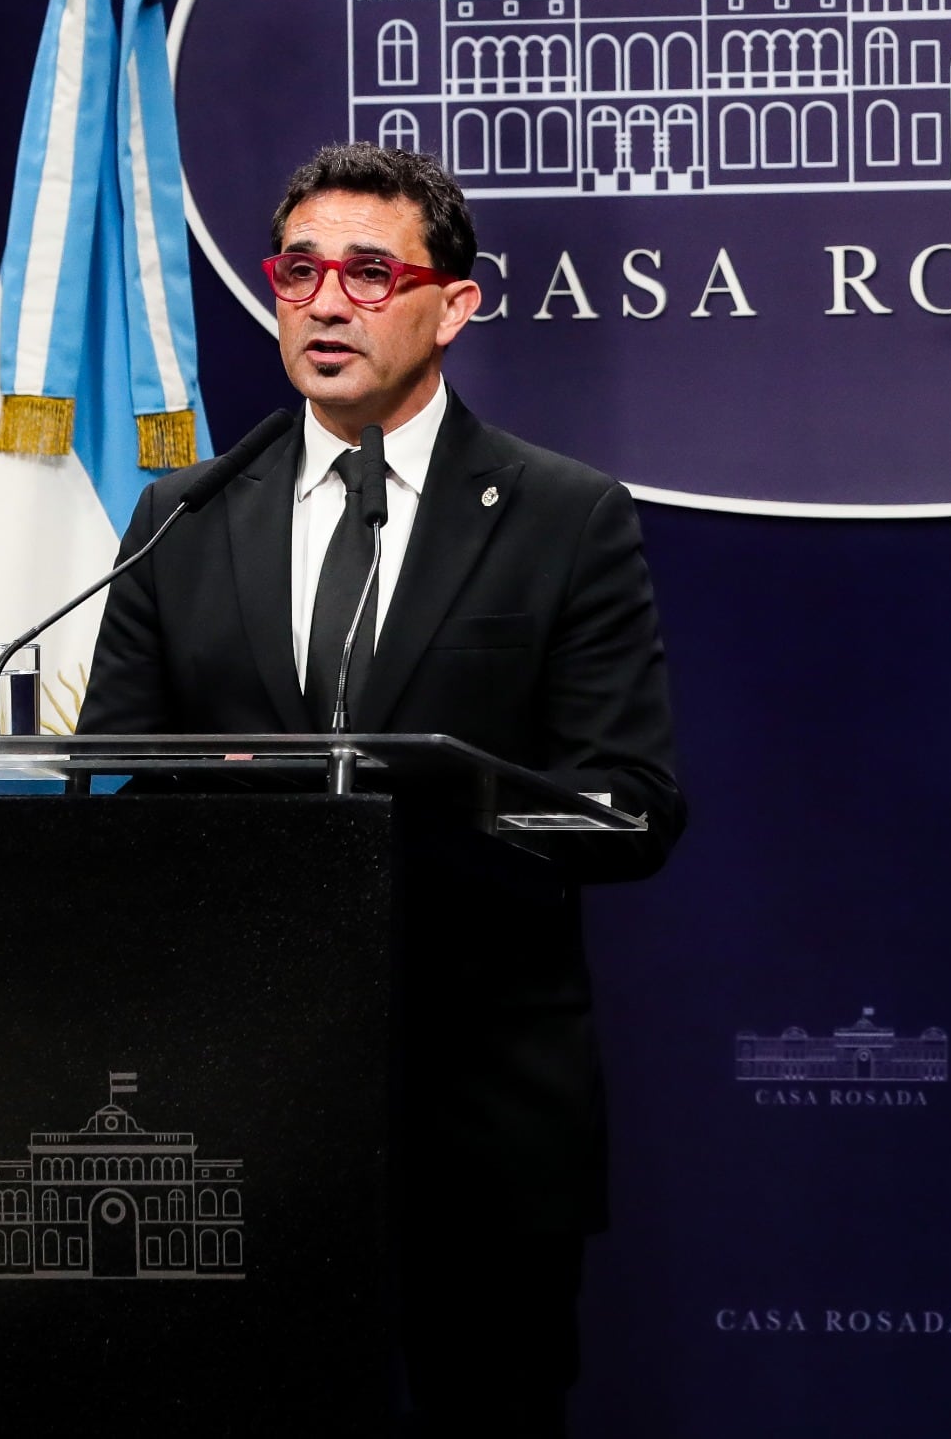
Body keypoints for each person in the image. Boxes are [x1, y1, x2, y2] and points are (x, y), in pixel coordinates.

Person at [82, 141, 685, 1436]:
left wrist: (426, 807)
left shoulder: (559, 515)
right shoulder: (183, 516)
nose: (327, 300)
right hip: (239, 1113)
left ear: (452, 304)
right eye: (299, 269)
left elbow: (630, 804)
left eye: (369, 270)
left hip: (481, 1110)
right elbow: (114, 796)